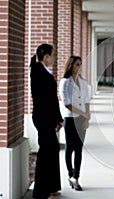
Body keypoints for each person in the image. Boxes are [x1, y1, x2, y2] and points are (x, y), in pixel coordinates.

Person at [30, 44, 63, 199]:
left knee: (52, 149)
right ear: (47, 56)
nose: (55, 58)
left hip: (47, 117)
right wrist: (55, 118)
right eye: (53, 55)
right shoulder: (38, 72)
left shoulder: (43, 71)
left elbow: (52, 99)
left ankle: (52, 186)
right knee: (46, 153)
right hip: (43, 117)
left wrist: (57, 118)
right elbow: (47, 100)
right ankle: (42, 192)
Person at [59, 56, 90, 191]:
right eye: (77, 64)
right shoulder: (65, 82)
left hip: (81, 119)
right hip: (71, 119)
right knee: (70, 147)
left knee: (79, 149)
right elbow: (67, 104)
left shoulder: (83, 82)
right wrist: (83, 114)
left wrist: (87, 118)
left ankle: (76, 178)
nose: (79, 67)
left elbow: (87, 100)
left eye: (80, 64)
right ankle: (70, 174)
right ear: (71, 65)